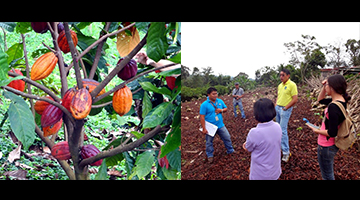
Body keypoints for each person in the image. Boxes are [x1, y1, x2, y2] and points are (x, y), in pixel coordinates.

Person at [306, 74, 350, 180]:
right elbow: (320, 100)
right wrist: (324, 86)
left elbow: (332, 132)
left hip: (326, 145)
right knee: (327, 172)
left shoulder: (333, 107)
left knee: (327, 175)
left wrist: (316, 130)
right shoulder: (340, 101)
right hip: (332, 145)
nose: (325, 87)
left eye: (327, 85)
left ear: (333, 87)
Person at [243, 98, 282, 180]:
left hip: (260, 174)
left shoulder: (254, 132)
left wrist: (245, 146)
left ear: (257, 114)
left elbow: (248, 148)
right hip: (275, 170)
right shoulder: (278, 126)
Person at [200, 87, 235, 164]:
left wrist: (221, 110)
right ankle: (210, 155)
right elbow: (202, 117)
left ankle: (230, 150)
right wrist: (204, 128)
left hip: (220, 125)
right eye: (213, 94)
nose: (215, 95)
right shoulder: (204, 105)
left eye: (216, 93)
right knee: (209, 142)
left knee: (227, 137)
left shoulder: (220, 101)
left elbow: (226, 108)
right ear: (208, 95)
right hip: (210, 127)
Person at [275, 68, 298, 162]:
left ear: (288, 75)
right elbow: (278, 96)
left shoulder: (292, 85)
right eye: (280, 75)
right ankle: (280, 149)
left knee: (282, 130)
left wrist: (286, 108)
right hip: (278, 108)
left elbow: (295, 99)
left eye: (283, 75)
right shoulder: (280, 85)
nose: (281, 77)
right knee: (278, 129)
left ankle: (286, 152)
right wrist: (276, 105)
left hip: (285, 109)